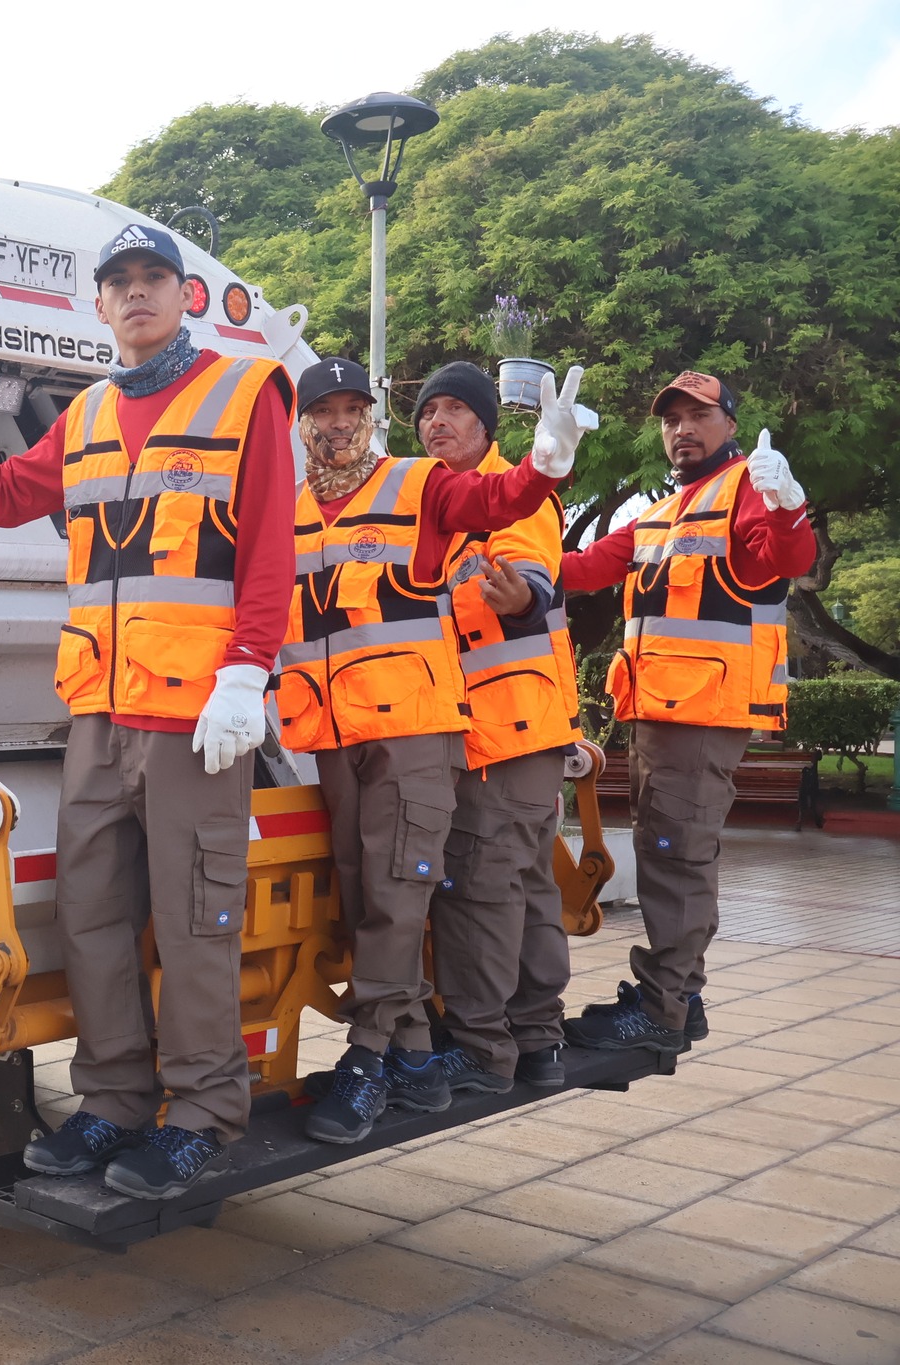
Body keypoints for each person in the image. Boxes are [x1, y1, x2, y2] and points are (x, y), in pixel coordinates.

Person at [0, 225, 295, 1200]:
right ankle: (111, 1105)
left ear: (182, 298)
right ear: (96, 305)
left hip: (191, 722)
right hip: (96, 714)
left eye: (153, 280)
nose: (135, 296)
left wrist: (247, 674)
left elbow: (265, 552)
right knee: (91, 915)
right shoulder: (85, 415)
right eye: (118, 282)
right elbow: (6, 497)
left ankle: (201, 1115)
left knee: (191, 920)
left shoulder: (242, 396)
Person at [280, 357, 590, 1144]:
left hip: (443, 729)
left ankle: (405, 1052)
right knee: (384, 894)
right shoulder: (291, 512)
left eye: (355, 409)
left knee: (431, 892)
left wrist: (541, 468)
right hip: (338, 734)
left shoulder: (422, 488)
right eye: (325, 411)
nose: (339, 423)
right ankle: (428, 1055)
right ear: (304, 425)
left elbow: (502, 518)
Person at [561, 372, 815, 1054]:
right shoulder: (659, 515)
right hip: (661, 714)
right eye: (672, 418)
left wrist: (788, 504)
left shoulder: (743, 492)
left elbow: (786, 557)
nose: (683, 428)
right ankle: (682, 996)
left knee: (676, 856)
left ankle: (662, 1008)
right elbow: (581, 568)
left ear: (729, 425)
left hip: (702, 714)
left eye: (699, 415)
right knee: (668, 850)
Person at [414, 362, 586, 1096]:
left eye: (456, 409)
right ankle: (538, 1037)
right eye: (428, 411)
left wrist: (519, 598)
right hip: (522, 729)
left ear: (487, 427)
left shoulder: (513, 498)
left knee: (479, 886)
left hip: (502, 730)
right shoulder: (435, 502)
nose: (439, 422)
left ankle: (482, 1045)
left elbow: (529, 580)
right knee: (525, 883)